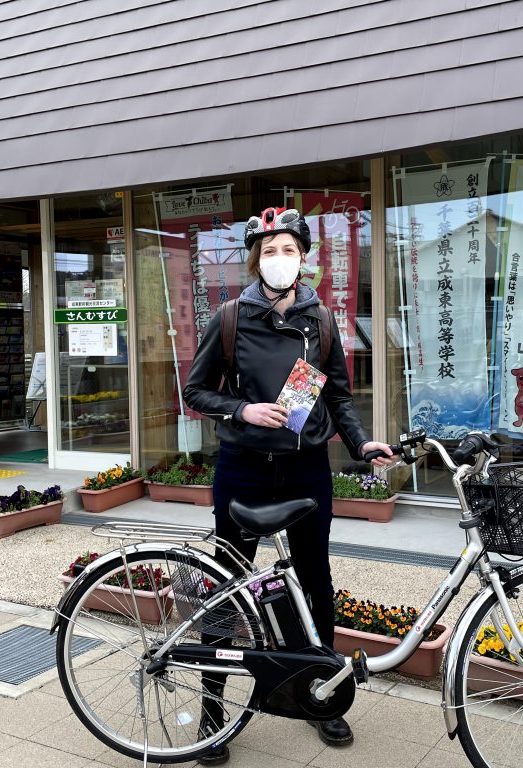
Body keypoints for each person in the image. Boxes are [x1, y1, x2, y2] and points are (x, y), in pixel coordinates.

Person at [183, 206, 393, 764]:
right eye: (269, 251)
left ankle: (320, 699)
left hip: (305, 470)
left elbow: (339, 398)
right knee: (226, 584)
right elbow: (196, 391)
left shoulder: (321, 322)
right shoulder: (230, 316)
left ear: (304, 259)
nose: (279, 260)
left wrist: (361, 444)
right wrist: (243, 410)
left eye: (289, 251)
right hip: (243, 468)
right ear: (257, 259)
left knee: (314, 583)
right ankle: (211, 708)